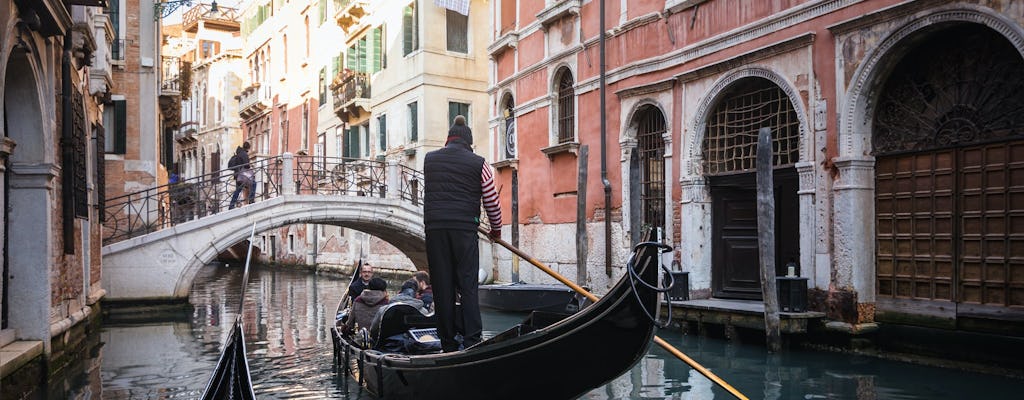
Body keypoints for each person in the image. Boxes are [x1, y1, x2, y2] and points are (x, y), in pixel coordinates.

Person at [422, 115, 502, 352]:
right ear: (469, 142)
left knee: (442, 286)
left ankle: (447, 343)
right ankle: (472, 341)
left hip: (435, 228)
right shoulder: (479, 163)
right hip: (464, 229)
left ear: (448, 140)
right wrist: (495, 230)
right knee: (468, 285)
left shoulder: (429, 160)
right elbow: (491, 200)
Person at [228, 142, 254, 209]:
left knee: (238, 190)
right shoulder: (244, 154)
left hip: (237, 175)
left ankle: (231, 205)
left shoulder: (239, 153)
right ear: (248, 148)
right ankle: (251, 200)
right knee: (253, 184)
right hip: (242, 175)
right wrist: (250, 165)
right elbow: (246, 165)